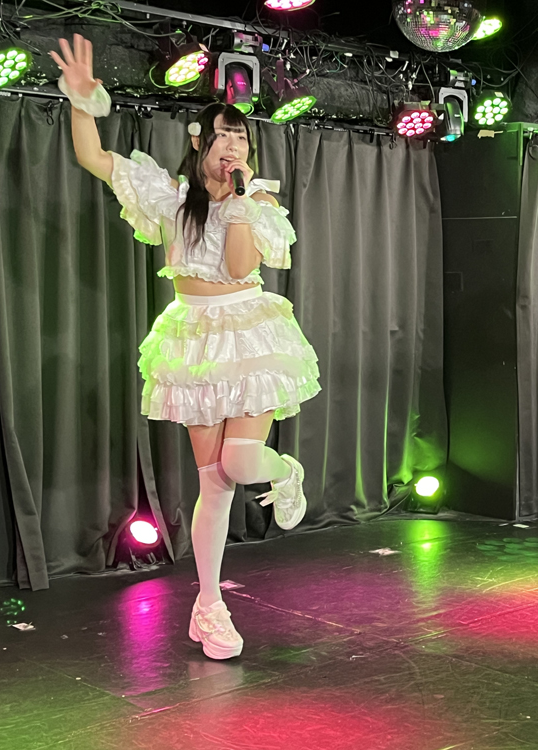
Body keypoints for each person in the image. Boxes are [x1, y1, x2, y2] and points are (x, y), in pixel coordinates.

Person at [50, 35, 321, 660]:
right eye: (223, 135)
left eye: (242, 138)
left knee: (243, 463)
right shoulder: (169, 198)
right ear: (200, 141)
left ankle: (288, 473)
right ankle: (209, 606)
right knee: (215, 483)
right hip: (194, 336)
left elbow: (239, 266)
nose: (234, 146)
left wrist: (244, 202)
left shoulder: (258, 202)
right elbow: (92, 155)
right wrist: (82, 100)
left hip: (249, 328)